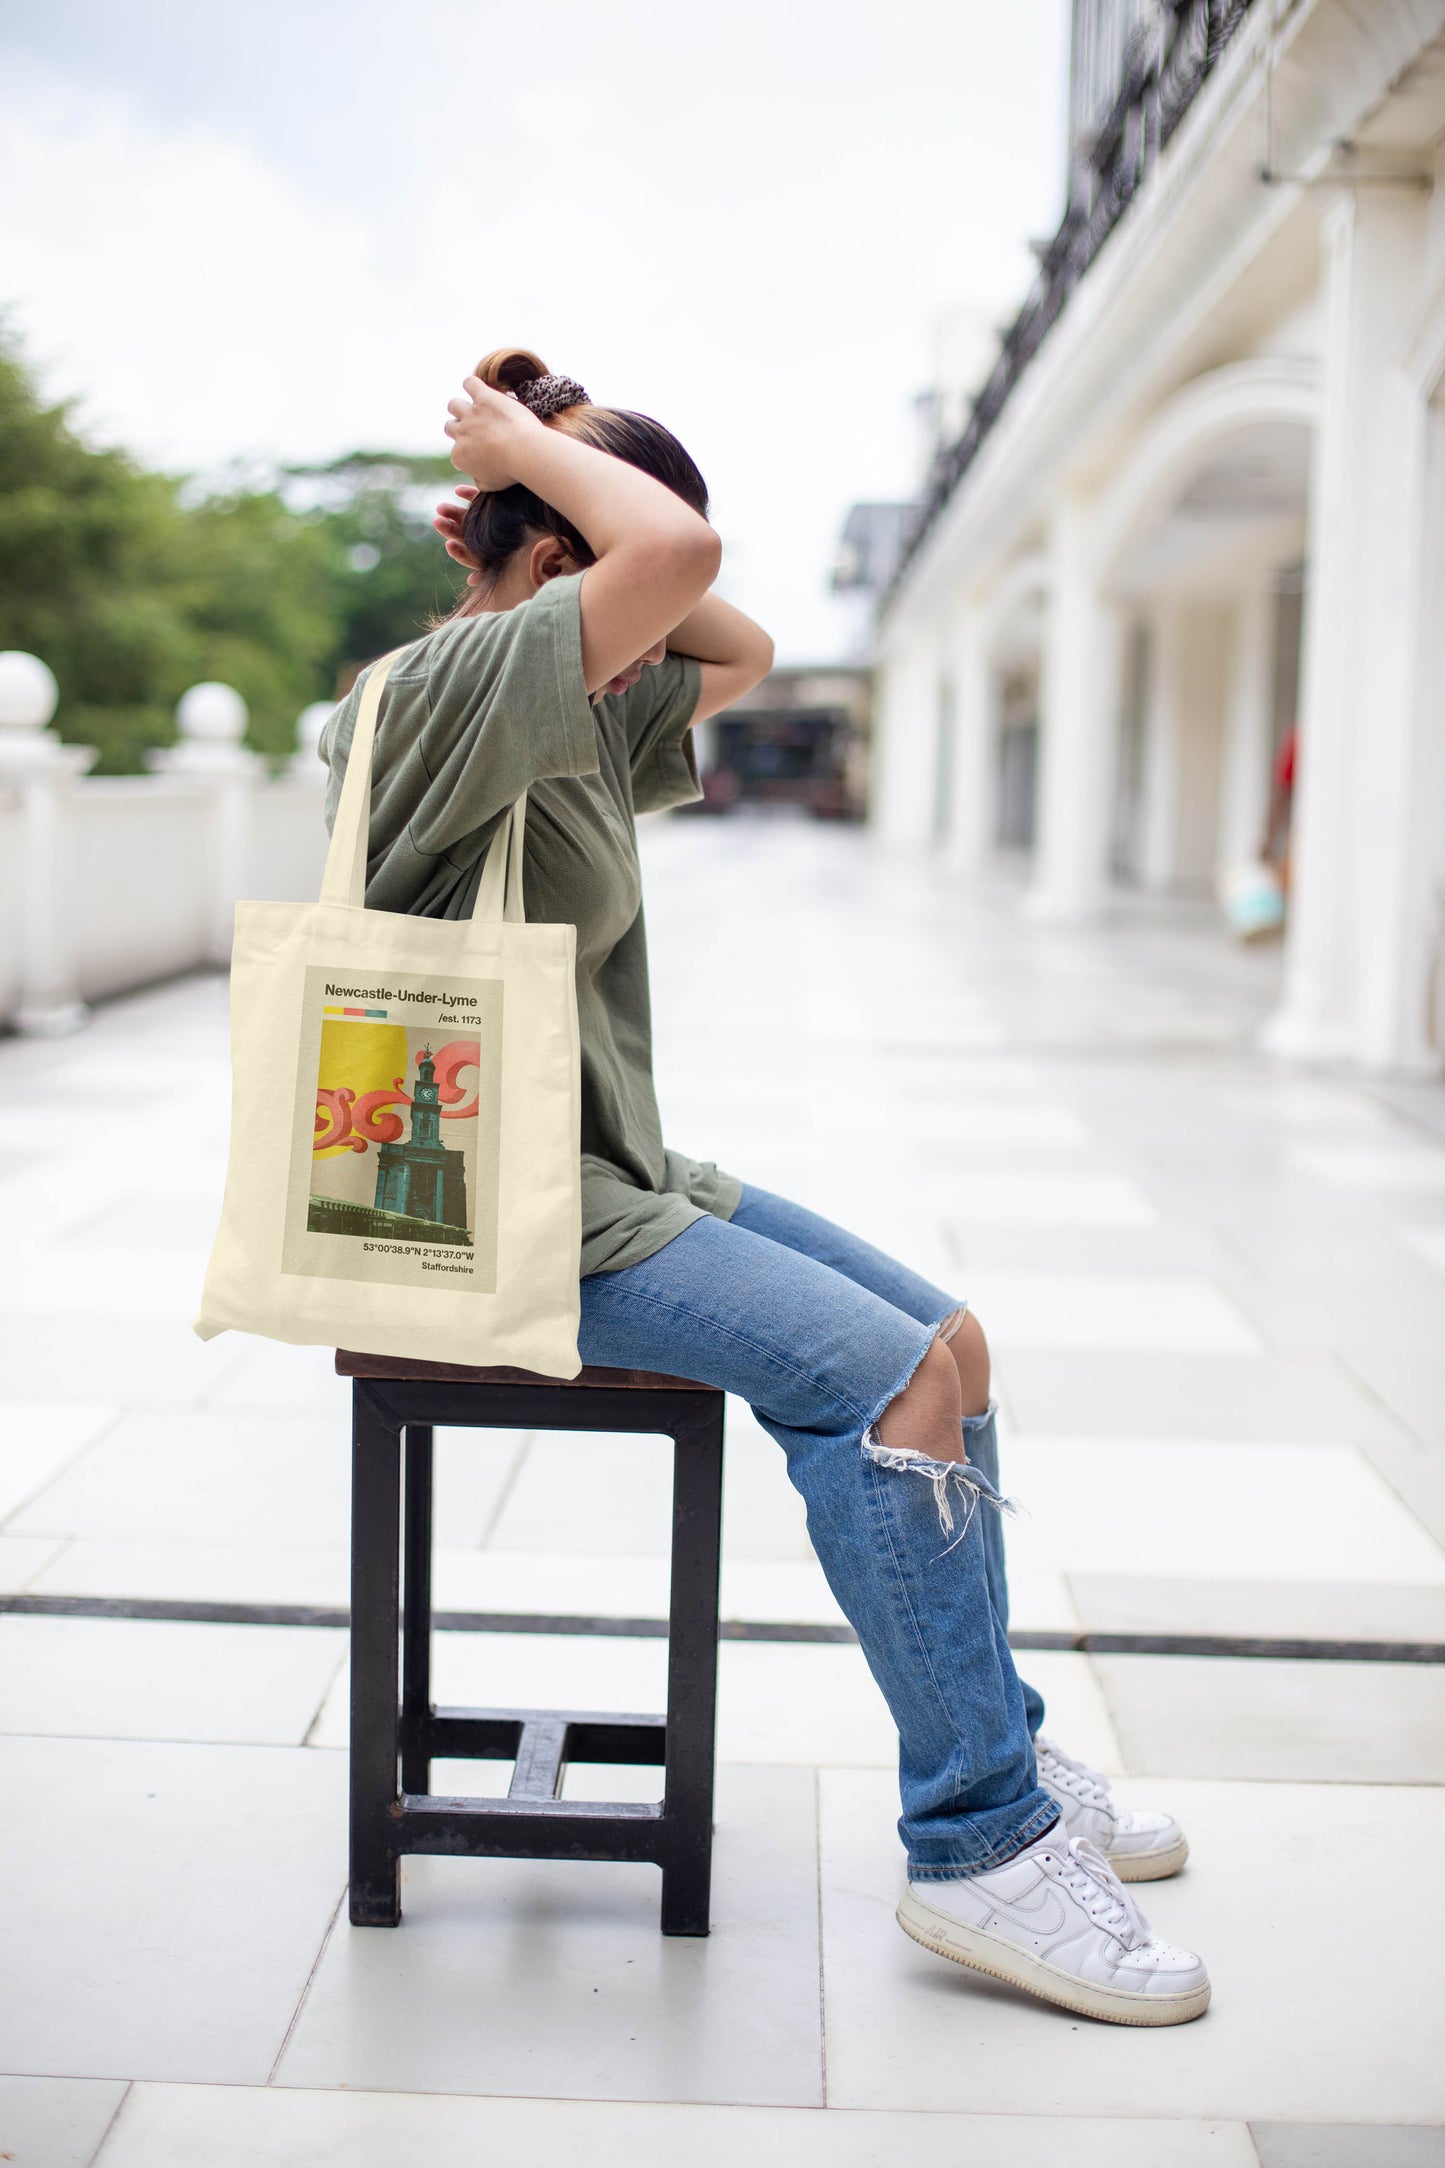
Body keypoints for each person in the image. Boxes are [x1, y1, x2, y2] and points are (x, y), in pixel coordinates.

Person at [320, 348, 1210, 2028]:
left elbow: (734, 642)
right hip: (493, 1216)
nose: (662, 640)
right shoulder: (453, 689)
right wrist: (540, 465)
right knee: (887, 1387)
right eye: (615, 576)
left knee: (951, 1344)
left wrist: (548, 480)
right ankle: (977, 1845)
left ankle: (996, 1745)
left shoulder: (571, 693)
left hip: (609, 1172)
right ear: (562, 561)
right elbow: (679, 565)